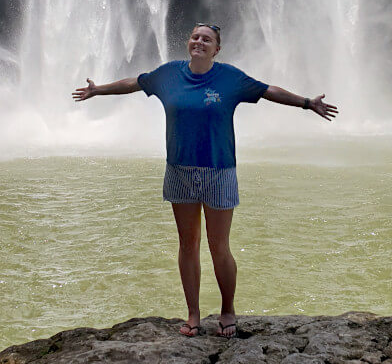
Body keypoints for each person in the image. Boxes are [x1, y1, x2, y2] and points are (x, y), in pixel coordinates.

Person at [72, 23, 337, 339]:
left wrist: (308, 103)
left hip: (220, 171)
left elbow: (268, 91)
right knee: (188, 245)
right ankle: (194, 314)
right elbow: (134, 83)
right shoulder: (168, 74)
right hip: (180, 171)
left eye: (206, 39)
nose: (199, 42)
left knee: (219, 246)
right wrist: (98, 89)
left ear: (217, 49)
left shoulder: (230, 78)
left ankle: (227, 310)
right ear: (189, 42)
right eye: (195, 37)